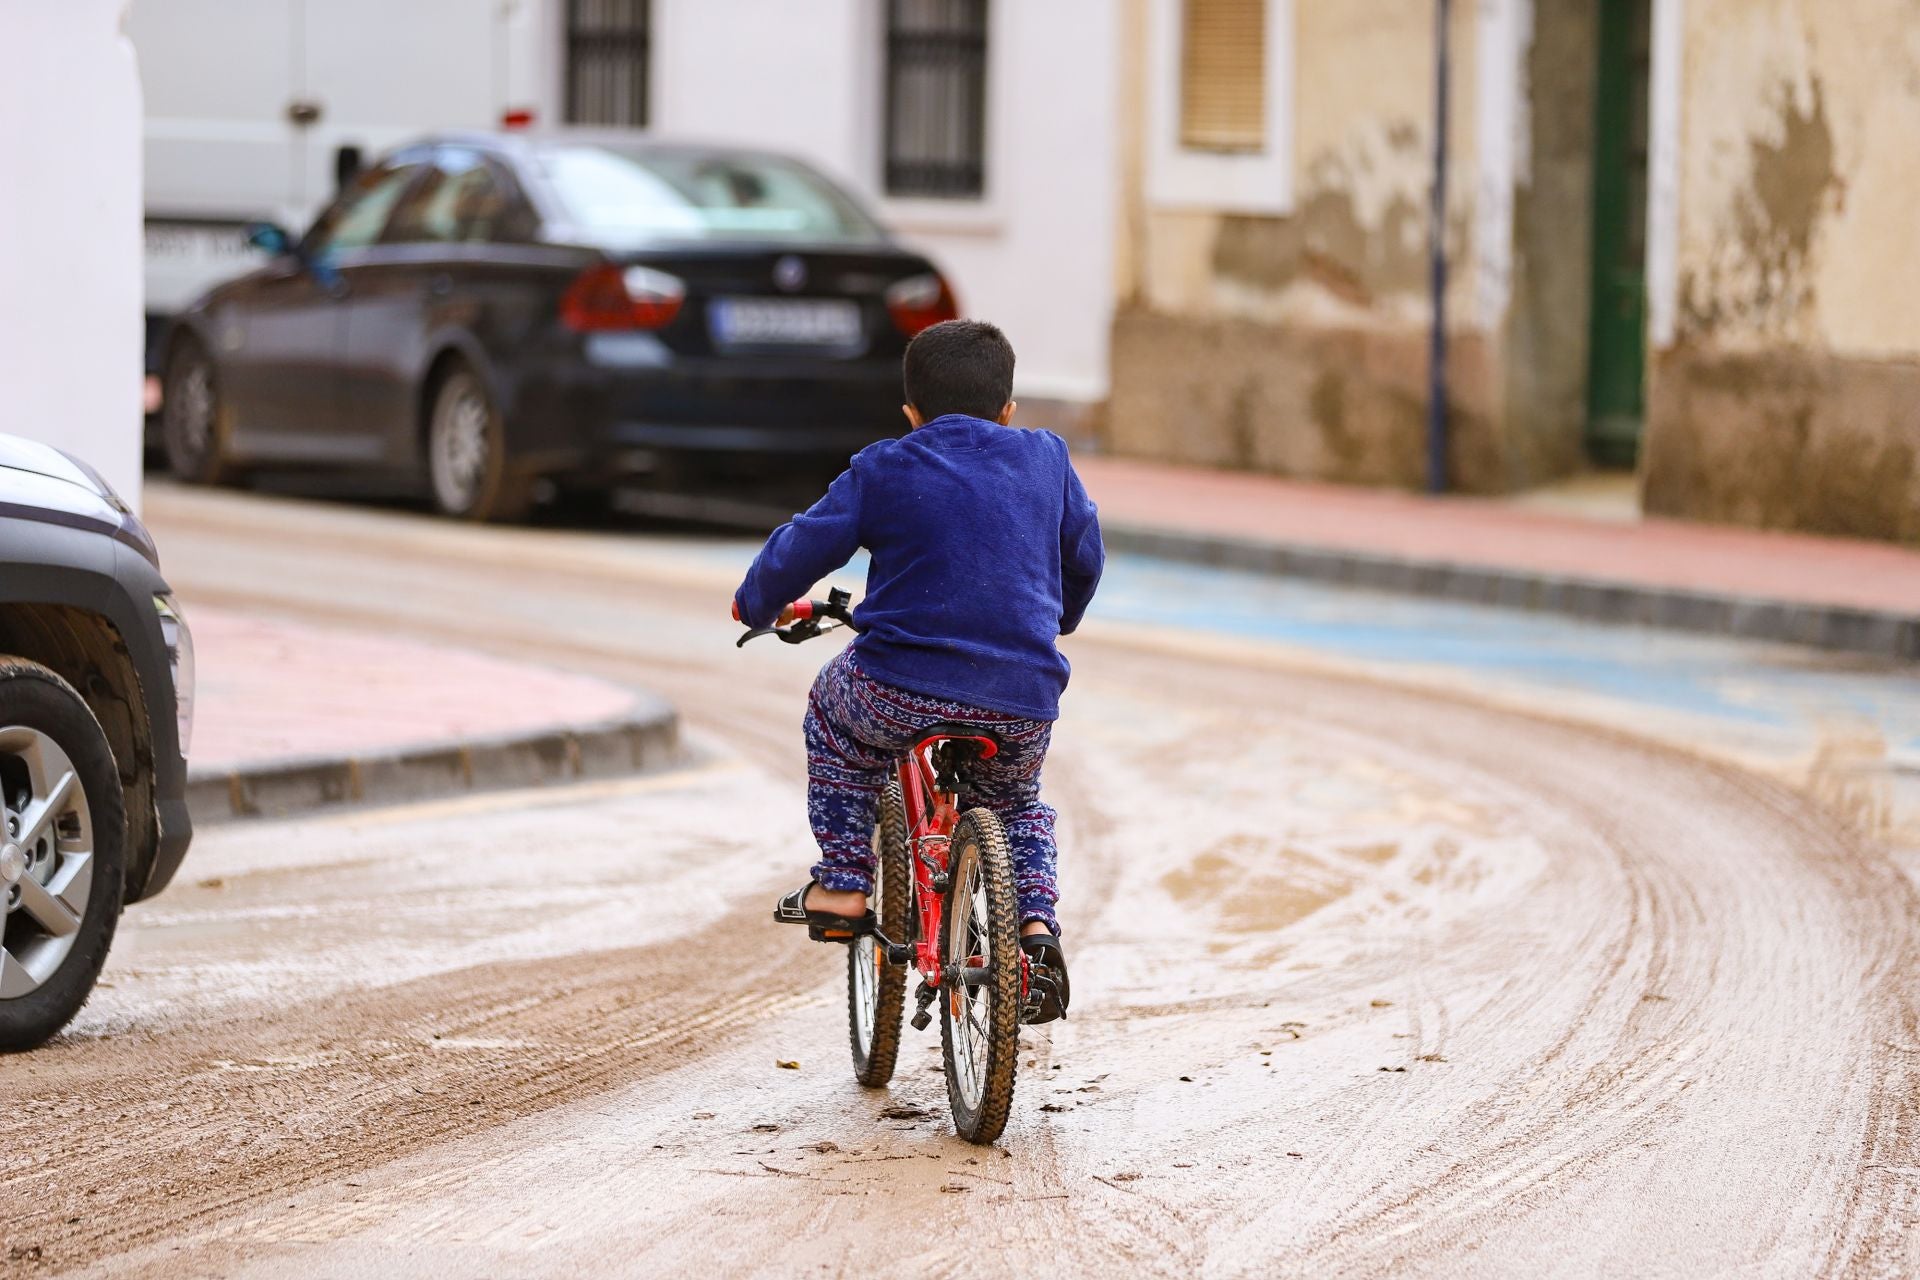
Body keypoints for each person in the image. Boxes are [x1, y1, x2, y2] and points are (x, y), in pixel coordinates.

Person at [732, 319, 1103, 1024]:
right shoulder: (1049, 459)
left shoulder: (884, 466)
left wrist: (756, 602)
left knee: (833, 713)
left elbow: (806, 544)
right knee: (1016, 804)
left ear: (910, 413)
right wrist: (1059, 619)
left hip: (897, 687)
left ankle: (844, 884)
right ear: (1008, 411)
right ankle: (1035, 930)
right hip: (1022, 694)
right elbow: (1084, 556)